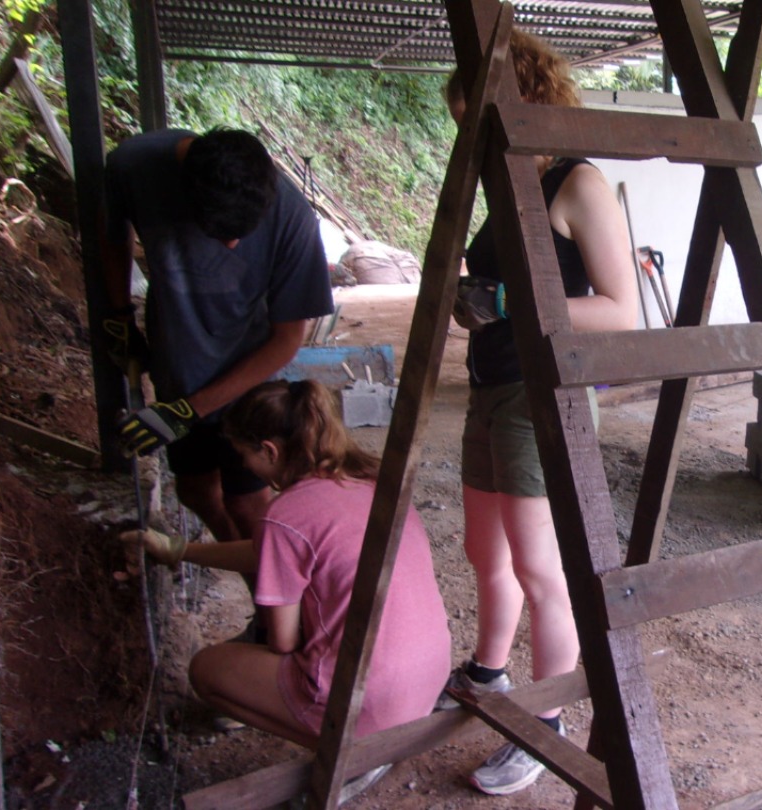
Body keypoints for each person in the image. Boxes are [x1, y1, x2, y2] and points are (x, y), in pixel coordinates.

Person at [437, 29, 638, 797]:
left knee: (539, 569)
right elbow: (500, 294)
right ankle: (488, 671)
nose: (473, 139)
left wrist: (509, 300)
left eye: (479, 120)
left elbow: (620, 311)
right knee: (485, 553)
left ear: (524, 98)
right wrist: (473, 302)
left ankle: (545, 721)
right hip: (490, 384)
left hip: (542, 394)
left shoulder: (577, 182)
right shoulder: (509, 182)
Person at [119, 380, 449, 797]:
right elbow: (269, 551)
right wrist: (179, 550)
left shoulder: (286, 514)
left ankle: (348, 753)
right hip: (424, 683)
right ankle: (364, 741)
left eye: (243, 455)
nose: (243, 464)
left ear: (269, 451)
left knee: (206, 670)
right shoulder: (368, 479)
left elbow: (283, 641)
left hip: (372, 706)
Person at [101, 127, 334, 553]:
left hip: (247, 379)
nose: (232, 244)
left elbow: (286, 341)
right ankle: (255, 581)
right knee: (196, 492)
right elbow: (114, 237)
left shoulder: (293, 217)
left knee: (247, 503)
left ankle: (270, 593)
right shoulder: (133, 168)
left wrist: (187, 411)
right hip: (180, 367)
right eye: (219, 234)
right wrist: (119, 317)